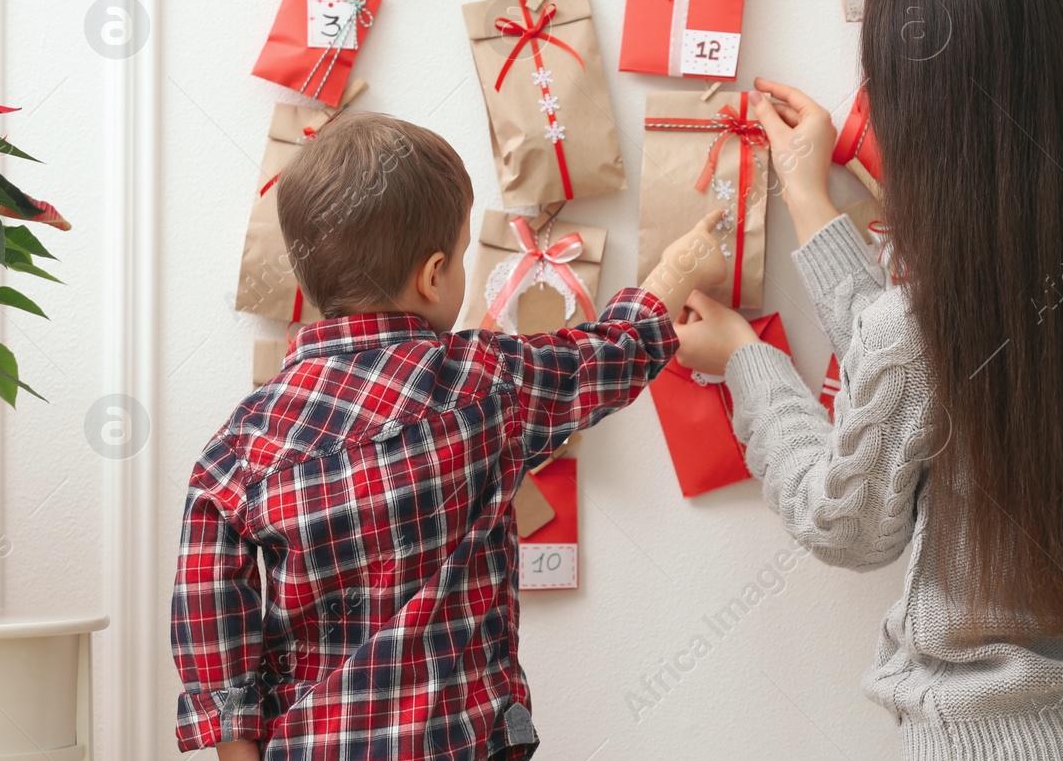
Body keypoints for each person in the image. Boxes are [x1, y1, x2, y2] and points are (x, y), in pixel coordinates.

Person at [675, 0, 1063, 761]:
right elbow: (933, 355)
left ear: (923, 113)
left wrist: (750, 365)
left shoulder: (922, 332)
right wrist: (804, 194)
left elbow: (848, 525)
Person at [170, 112, 726, 761]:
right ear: (434, 275)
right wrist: (680, 267)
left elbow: (215, 641)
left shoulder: (238, 448)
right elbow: (609, 355)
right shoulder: (485, 385)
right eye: (462, 257)